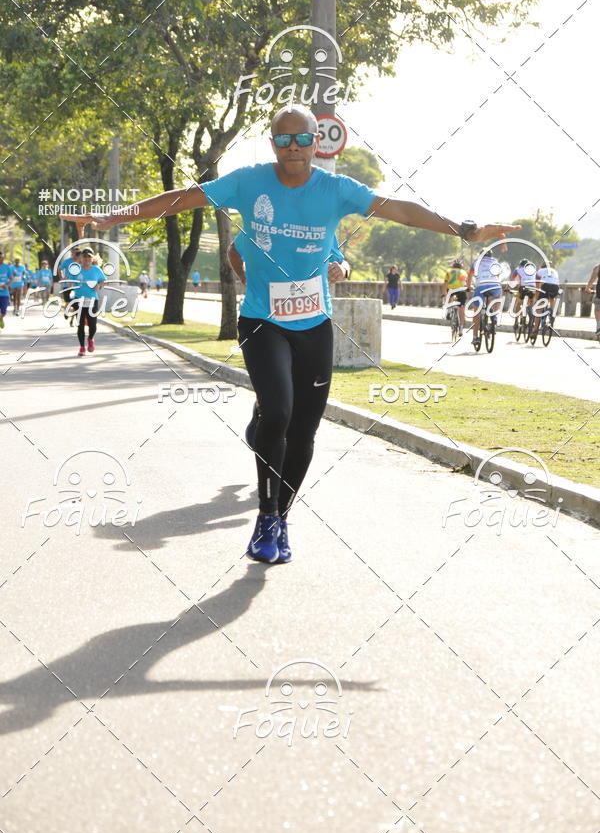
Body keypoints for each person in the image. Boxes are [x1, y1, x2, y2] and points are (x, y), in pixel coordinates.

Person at [61, 104, 517, 563]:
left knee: (303, 431)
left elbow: (399, 209)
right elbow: (183, 198)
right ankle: (263, 516)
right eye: (284, 140)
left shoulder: (336, 190)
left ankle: (281, 515)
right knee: (277, 411)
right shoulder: (248, 182)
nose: (294, 148)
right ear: (273, 143)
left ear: (316, 142)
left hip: (314, 325)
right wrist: (113, 218)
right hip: (261, 320)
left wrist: (464, 229)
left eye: (303, 139)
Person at [70, 247, 106, 356]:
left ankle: (90, 339)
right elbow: (70, 281)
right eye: (84, 257)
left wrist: (99, 285)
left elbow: (103, 280)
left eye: (89, 257)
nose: (86, 259)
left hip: (92, 299)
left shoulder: (96, 270)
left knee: (92, 324)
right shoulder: (76, 270)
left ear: (92, 258)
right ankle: (82, 347)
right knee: (80, 324)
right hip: (79, 299)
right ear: (81, 258)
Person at [467, 250, 504, 348]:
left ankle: (475, 337)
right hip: (494, 285)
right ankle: (495, 315)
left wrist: (468, 286)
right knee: (498, 295)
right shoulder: (495, 261)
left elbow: (470, 276)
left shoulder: (476, 262)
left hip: (480, 286)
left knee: (476, 311)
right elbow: (498, 275)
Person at [531, 262, 560, 342]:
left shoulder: (540, 271)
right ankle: (552, 312)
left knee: (539, 309)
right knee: (552, 298)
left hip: (545, 286)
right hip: (555, 287)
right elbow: (557, 282)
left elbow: (538, 287)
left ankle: (535, 330)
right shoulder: (555, 271)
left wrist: (535, 299)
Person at [442, 258, 468, 335]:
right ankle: (461, 328)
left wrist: (443, 293)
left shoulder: (449, 271)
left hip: (451, 290)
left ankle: (449, 310)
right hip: (461, 291)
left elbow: (445, 284)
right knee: (462, 309)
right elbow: (467, 284)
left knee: (448, 295)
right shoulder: (464, 272)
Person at [59, 247, 82, 325]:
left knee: (76, 304)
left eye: (78, 253)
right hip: (67, 285)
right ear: (72, 253)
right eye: (75, 253)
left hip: (77, 286)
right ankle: (66, 312)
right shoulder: (67, 261)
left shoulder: (80, 263)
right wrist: (62, 277)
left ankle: (72, 320)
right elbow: (60, 269)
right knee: (68, 302)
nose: (76, 255)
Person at [585, 263, 600, 342]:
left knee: (598, 309)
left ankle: (598, 327)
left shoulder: (598, 267)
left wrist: (588, 288)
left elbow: (592, 279)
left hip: (599, 294)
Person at [0, 252, 13, 329]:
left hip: (4, 293)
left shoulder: (7, 267)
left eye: (2, 257)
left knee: (4, 312)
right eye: (0, 257)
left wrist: (7, 285)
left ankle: (1, 318)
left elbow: (11, 278)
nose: (1, 259)